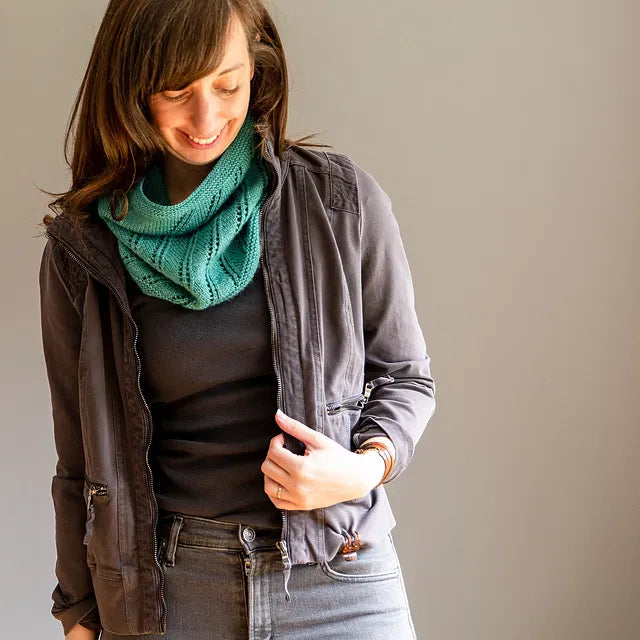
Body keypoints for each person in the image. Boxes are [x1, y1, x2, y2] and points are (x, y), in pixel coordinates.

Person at [37, 1, 436, 638]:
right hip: (171, 591)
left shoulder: (338, 201)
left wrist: (361, 469)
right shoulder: (83, 250)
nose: (207, 118)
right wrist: (79, 614)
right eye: (176, 92)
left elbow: (407, 377)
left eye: (227, 85)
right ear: (132, 88)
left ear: (257, 70)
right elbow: (79, 456)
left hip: (341, 574)